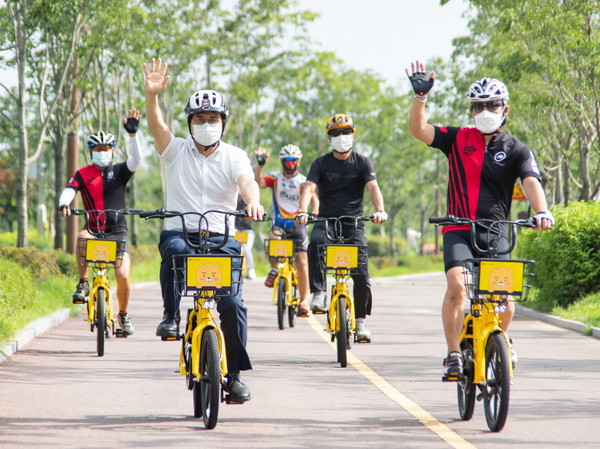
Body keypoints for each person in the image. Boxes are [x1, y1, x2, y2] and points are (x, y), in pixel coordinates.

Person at [405, 60, 555, 378]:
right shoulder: (457, 138)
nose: (487, 110)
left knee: (504, 296)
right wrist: (420, 98)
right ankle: (453, 354)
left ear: (505, 108)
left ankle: (501, 339)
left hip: (497, 231)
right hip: (458, 228)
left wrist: (542, 211)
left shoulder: (517, 149)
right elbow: (419, 131)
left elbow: (531, 182)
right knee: (458, 287)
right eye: (480, 105)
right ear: (472, 110)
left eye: (493, 104)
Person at [144, 58, 264, 403]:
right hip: (181, 232)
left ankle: (236, 376)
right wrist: (152, 96)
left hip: (221, 239)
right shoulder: (175, 150)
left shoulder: (235, 155)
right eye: (200, 119)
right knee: (175, 250)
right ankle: (170, 315)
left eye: (213, 119)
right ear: (190, 123)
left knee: (233, 304)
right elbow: (156, 127)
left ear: (222, 123)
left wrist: (252, 203)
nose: (207, 124)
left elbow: (247, 182)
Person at [296, 114, 387, 342]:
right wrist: (301, 211)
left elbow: (373, 187)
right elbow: (308, 188)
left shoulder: (363, 162)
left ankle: (361, 321)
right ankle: (318, 293)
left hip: (354, 222)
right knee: (315, 243)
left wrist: (380, 210)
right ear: (329, 137)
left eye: (345, 132)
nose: (341, 137)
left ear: (353, 134)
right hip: (325, 219)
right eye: (335, 133)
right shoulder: (321, 163)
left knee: (362, 274)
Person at [58, 108, 143, 336]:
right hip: (93, 229)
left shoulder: (121, 171)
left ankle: (123, 315)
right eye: (97, 149)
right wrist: (64, 204)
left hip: (118, 231)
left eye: (106, 148)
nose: (102, 152)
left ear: (112, 150)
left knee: (123, 276)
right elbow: (69, 191)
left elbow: (137, 159)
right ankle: (83, 282)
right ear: (91, 151)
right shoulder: (82, 173)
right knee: (81, 238)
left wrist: (133, 136)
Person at [254, 145, 318, 317]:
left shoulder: (304, 180)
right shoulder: (275, 178)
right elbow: (258, 182)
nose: (290, 164)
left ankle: (304, 301)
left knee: (302, 262)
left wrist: (314, 213)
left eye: (293, 161)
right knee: (273, 237)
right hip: (280, 224)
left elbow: (313, 197)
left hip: (298, 226)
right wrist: (260, 166)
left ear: (298, 161)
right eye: (287, 161)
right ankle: (274, 270)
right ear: (282, 162)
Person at [235, 197, 256, 280]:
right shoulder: (233, 201)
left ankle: (250, 268)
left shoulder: (249, 202)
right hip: (236, 230)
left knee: (246, 249)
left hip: (247, 230)